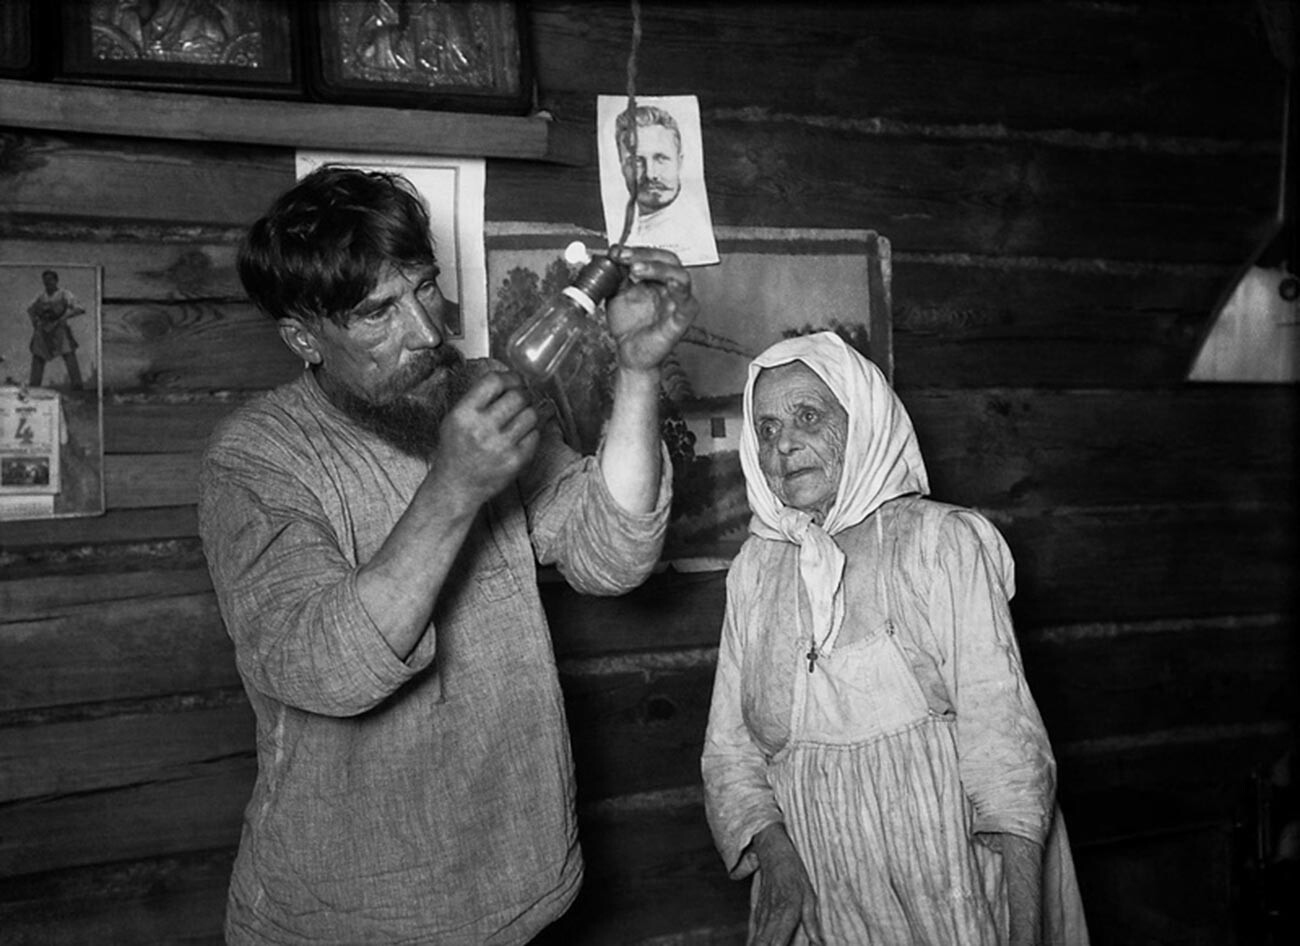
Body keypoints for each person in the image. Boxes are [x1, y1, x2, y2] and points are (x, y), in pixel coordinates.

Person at [198, 165, 698, 944]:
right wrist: (453, 488)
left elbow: (611, 553)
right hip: (347, 915)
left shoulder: (470, 392)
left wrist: (636, 372)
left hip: (519, 886)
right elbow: (323, 668)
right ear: (304, 336)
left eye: (425, 288)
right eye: (377, 313)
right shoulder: (260, 456)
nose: (428, 333)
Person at [701, 332, 1088, 945]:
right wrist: (776, 859)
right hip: (820, 895)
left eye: (808, 416)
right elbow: (731, 752)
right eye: (767, 429)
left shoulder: (942, 544)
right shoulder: (756, 569)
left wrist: (1025, 931)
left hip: (952, 886)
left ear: (864, 420)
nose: (785, 443)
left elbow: (1007, 754)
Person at [614, 104, 716, 265]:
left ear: (679, 161)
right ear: (622, 166)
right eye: (636, 162)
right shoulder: (621, 226)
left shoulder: (694, 231)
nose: (650, 174)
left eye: (661, 159)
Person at [26, 269, 85, 390]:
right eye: (45, 280)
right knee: (38, 355)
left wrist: (65, 316)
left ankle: (77, 385)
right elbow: (30, 309)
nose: (48, 283)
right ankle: (34, 385)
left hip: (59, 328)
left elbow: (79, 308)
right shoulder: (41, 297)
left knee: (69, 354)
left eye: (50, 280)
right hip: (43, 330)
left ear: (56, 281)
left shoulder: (64, 293)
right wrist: (35, 323)